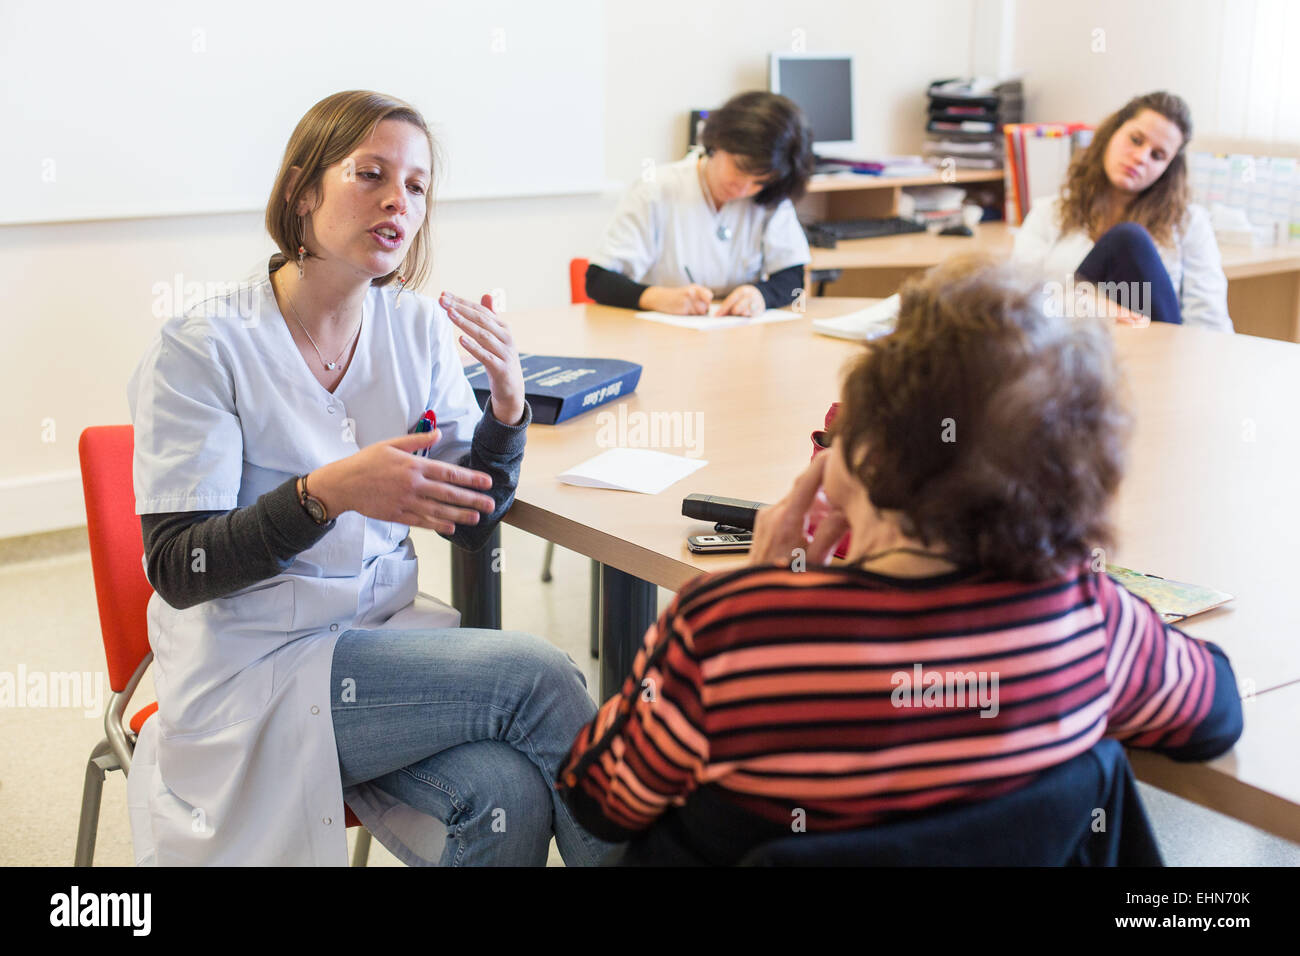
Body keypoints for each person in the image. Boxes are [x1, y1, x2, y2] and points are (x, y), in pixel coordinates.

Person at [556, 255, 1243, 865]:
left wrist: (760, 587)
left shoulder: (729, 632)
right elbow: (1215, 715)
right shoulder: (1090, 622)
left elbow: (600, 797)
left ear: (867, 455)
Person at [125, 90, 614, 866]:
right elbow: (180, 568)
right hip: (257, 669)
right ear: (301, 191)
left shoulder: (415, 328)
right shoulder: (204, 348)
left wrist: (509, 411)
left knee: (504, 797)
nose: (398, 200)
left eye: (417, 186)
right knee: (538, 677)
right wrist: (327, 493)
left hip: (381, 642)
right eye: (370, 174)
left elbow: (471, 515)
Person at [1012, 91, 1231, 331]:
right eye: (1136, 140)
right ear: (1111, 134)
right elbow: (1018, 297)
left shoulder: (1189, 222)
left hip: (1156, 351)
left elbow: (1209, 322)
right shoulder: (1049, 212)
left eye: (1157, 156)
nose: (1140, 157)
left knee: (1129, 238)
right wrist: (1092, 305)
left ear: (1167, 169)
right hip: (1070, 348)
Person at [586, 90, 815, 316]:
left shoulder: (769, 199)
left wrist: (760, 295)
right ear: (718, 141)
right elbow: (598, 281)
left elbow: (793, 281)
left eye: (758, 181)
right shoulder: (657, 189)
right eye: (739, 168)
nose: (743, 187)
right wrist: (657, 298)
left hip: (739, 334)